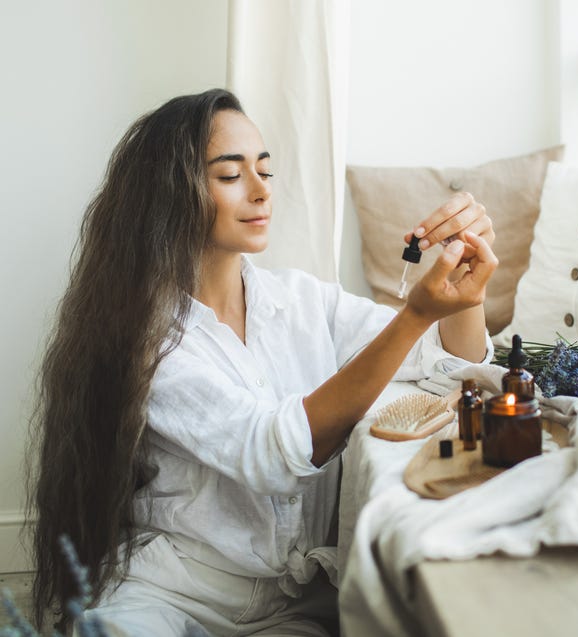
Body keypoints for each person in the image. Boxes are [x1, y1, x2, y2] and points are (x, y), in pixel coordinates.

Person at [27, 88, 498, 636]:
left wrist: (469, 288)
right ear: (169, 193)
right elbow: (274, 452)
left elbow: (440, 360)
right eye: (230, 176)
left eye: (265, 172)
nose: (260, 192)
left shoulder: (303, 301)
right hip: (176, 593)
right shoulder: (146, 337)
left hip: (294, 608)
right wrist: (416, 313)